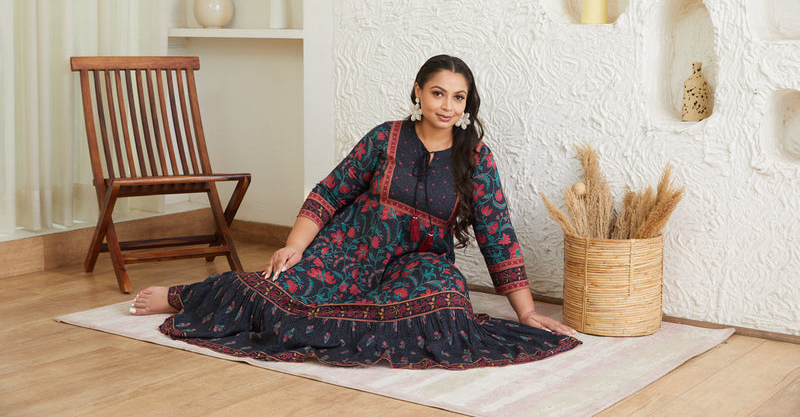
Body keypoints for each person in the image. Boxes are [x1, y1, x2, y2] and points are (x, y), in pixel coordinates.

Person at [130, 54, 581, 369]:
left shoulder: (475, 158)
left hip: (416, 263)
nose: (447, 105)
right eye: (438, 93)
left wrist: (524, 313)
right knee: (277, 291)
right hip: (352, 249)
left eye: (458, 97)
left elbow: (496, 235)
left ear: (466, 105)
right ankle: (182, 296)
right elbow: (330, 192)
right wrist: (294, 245)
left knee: (445, 310)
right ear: (418, 93)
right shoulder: (386, 137)